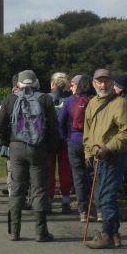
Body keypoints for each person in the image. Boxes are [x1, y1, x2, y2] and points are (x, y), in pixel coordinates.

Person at [0, 70, 60, 242]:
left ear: (20, 83)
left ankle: (14, 231)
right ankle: (41, 232)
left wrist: (7, 141)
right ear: (36, 83)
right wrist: (50, 147)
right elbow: (53, 127)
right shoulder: (45, 99)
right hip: (38, 149)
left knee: (17, 189)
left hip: (16, 147)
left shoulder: (11, 98)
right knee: (39, 189)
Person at [83, 69, 127, 249]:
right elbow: (87, 132)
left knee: (106, 196)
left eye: (106, 81)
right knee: (101, 196)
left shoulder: (120, 103)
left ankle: (106, 235)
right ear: (93, 83)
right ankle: (114, 233)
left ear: (112, 83)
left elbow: (126, 132)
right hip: (97, 157)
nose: (103, 85)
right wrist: (88, 153)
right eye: (99, 81)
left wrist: (108, 147)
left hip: (113, 156)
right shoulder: (91, 103)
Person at [59, 74, 95, 222]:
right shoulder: (94, 100)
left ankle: (82, 211)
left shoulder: (69, 101)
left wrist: (65, 137)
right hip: (92, 142)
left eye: (72, 85)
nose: (70, 87)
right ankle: (97, 209)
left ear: (77, 85)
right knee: (93, 175)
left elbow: (60, 121)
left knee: (78, 176)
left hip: (74, 141)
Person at [47, 72, 74, 214]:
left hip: (50, 140)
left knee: (49, 171)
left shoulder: (45, 99)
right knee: (65, 171)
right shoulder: (70, 100)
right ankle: (65, 199)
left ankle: (49, 200)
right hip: (66, 139)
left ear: (52, 84)